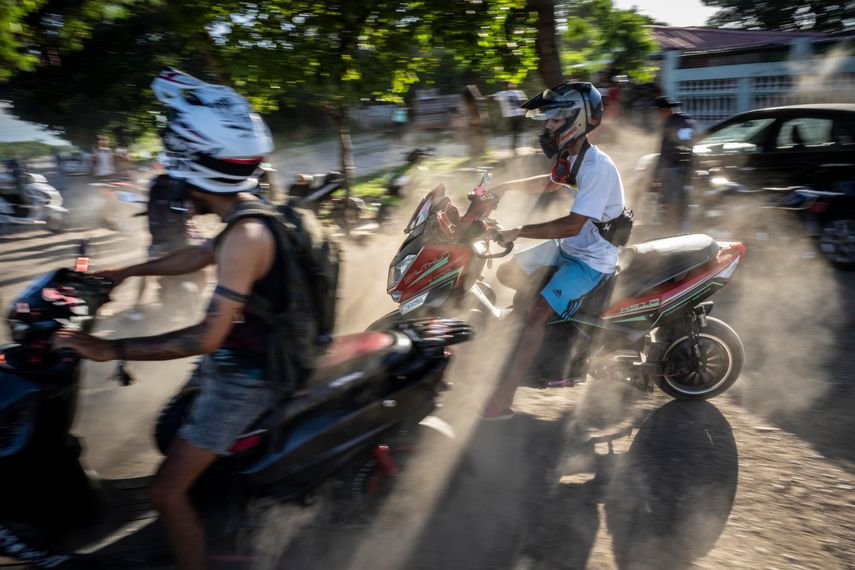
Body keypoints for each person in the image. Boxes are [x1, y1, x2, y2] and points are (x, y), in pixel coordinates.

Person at [54, 68, 279, 570]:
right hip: (253, 356)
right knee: (173, 425)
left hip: (250, 376)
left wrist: (109, 348)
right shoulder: (250, 214)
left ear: (190, 164)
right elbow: (198, 255)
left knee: (165, 491)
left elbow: (205, 336)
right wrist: (126, 271)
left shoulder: (246, 235)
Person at [481, 81, 626, 420]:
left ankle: (503, 398)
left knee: (537, 312)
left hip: (592, 261)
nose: (548, 126)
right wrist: (503, 188)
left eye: (555, 119)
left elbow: (572, 225)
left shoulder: (597, 168)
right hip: (569, 248)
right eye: (548, 119)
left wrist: (518, 231)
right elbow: (550, 182)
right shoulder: (572, 156)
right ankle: (523, 338)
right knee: (507, 273)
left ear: (577, 121)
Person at [652, 95, 696, 233]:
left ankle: (672, 231)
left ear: (663, 111)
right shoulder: (687, 121)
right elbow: (690, 143)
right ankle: (683, 229)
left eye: (658, 112)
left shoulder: (669, 124)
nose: (657, 116)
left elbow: (664, 151)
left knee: (671, 203)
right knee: (683, 202)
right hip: (687, 168)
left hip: (672, 169)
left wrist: (656, 174)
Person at [489, 81, 528, 155]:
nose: (510, 85)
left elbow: (525, 102)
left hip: (519, 115)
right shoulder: (503, 93)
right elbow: (491, 97)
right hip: (512, 116)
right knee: (515, 132)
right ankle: (513, 148)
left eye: (511, 84)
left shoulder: (519, 92)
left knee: (517, 132)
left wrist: (525, 112)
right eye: (508, 84)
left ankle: (514, 147)